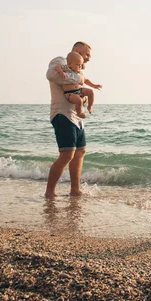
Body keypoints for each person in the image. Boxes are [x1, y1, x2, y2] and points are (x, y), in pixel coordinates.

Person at [45, 41, 98, 199]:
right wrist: (79, 78)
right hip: (62, 114)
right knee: (67, 154)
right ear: (76, 50)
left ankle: (75, 189)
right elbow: (51, 75)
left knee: (80, 152)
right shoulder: (60, 61)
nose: (88, 59)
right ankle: (50, 192)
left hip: (76, 117)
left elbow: (79, 84)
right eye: (86, 54)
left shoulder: (77, 68)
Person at [54, 51, 102, 118]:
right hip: (70, 93)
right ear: (69, 64)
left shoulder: (79, 73)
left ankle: (90, 106)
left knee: (91, 92)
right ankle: (79, 113)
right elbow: (57, 67)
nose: (80, 66)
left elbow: (85, 80)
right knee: (78, 100)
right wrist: (60, 72)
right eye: (77, 64)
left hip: (80, 90)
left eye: (81, 65)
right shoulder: (66, 69)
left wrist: (94, 85)